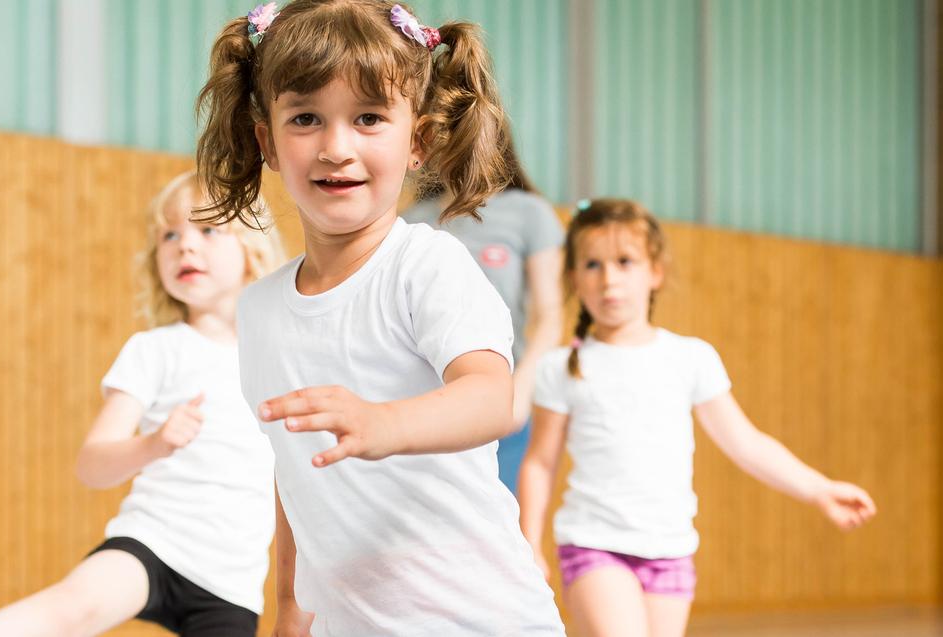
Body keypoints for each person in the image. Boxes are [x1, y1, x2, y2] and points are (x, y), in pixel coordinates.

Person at [194, 2, 565, 636]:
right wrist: (288, 611)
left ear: (416, 141)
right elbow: (295, 472)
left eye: (369, 118)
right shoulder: (259, 310)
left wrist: (384, 422)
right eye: (306, 118)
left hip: (483, 620)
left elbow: (489, 397)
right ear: (268, 143)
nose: (337, 148)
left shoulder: (427, 265)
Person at [518, 198, 877, 637]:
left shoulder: (690, 359)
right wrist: (529, 541)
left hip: (671, 550)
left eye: (625, 261)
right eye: (592, 264)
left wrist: (818, 489)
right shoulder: (561, 367)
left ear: (655, 272)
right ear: (574, 277)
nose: (609, 278)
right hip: (593, 545)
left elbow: (747, 443)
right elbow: (539, 462)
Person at [0, 172, 287, 637]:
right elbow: (92, 466)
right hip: (152, 543)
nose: (184, 246)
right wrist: (153, 444)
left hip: (232, 581)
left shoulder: (280, 360)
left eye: (207, 229)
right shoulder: (155, 349)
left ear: (251, 252)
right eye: (170, 235)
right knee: (70, 609)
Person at [404, 140, 564, 494]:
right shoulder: (412, 222)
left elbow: (550, 316)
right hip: (422, 405)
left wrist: (520, 390)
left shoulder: (527, 213)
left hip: (500, 399)